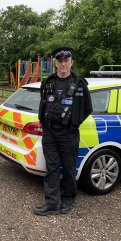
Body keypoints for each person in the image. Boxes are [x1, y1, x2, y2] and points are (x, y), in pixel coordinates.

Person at [34, 46, 93, 216]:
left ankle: (68, 200)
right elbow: (43, 103)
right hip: (50, 132)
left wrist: (74, 122)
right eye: (60, 61)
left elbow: (88, 108)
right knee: (51, 167)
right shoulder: (48, 82)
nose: (63, 64)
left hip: (69, 133)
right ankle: (51, 203)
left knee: (68, 168)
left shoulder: (80, 84)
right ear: (55, 64)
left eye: (66, 60)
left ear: (71, 62)